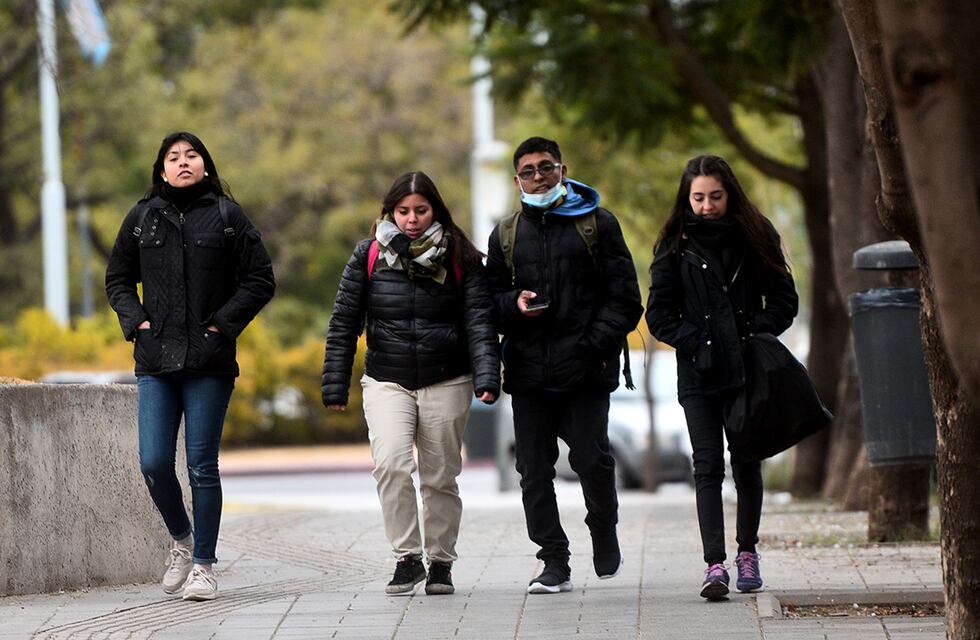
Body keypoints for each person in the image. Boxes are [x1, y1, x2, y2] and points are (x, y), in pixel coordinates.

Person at [105, 132, 275, 601]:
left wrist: (223, 325)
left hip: (209, 361)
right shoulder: (143, 218)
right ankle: (181, 539)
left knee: (202, 466)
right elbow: (117, 277)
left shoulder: (226, 216)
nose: (183, 163)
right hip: (155, 359)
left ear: (205, 164)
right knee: (155, 462)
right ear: (161, 170)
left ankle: (203, 565)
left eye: (191, 155)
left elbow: (261, 278)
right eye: (173, 158)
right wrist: (135, 321)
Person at [321, 171, 500, 596]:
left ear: (435, 210)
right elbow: (343, 322)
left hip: (447, 379)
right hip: (387, 379)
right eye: (403, 211)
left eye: (421, 210)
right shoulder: (368, 255)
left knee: (440, 477)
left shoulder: (461, 257)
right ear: (390, 212)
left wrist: (487, 377)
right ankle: (407, 557)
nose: (412, 219)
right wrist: (334, 383)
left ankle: (440, 563)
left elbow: (479, 320)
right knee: (391, 465)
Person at [486, 137, 643, 594]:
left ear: (563, 169)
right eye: (529, 171)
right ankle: (553, 561)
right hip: (529, 373)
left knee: (592, 461)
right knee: (533, 472)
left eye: (546, 167)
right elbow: (489, 302)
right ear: (517, 180)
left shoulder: (598, 224)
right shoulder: (506, 233)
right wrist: (513, 304)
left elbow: (626, 298)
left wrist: (593, 344)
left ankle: (603, 528)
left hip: (585, 369)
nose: (538, 176)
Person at [646, 155, 799, 600]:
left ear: (729, 193)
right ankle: (715, 565)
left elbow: (785, 299)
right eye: (698, 197)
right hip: (698, 373)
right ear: (686, 197)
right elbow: (658, 315)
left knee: (747, 461)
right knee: (707, 465)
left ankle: (746, 552)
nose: (707, 205)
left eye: (715, 196)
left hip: (748, 370)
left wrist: (754, 335)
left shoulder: (756, 234)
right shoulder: (675, 243)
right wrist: (699, 342)